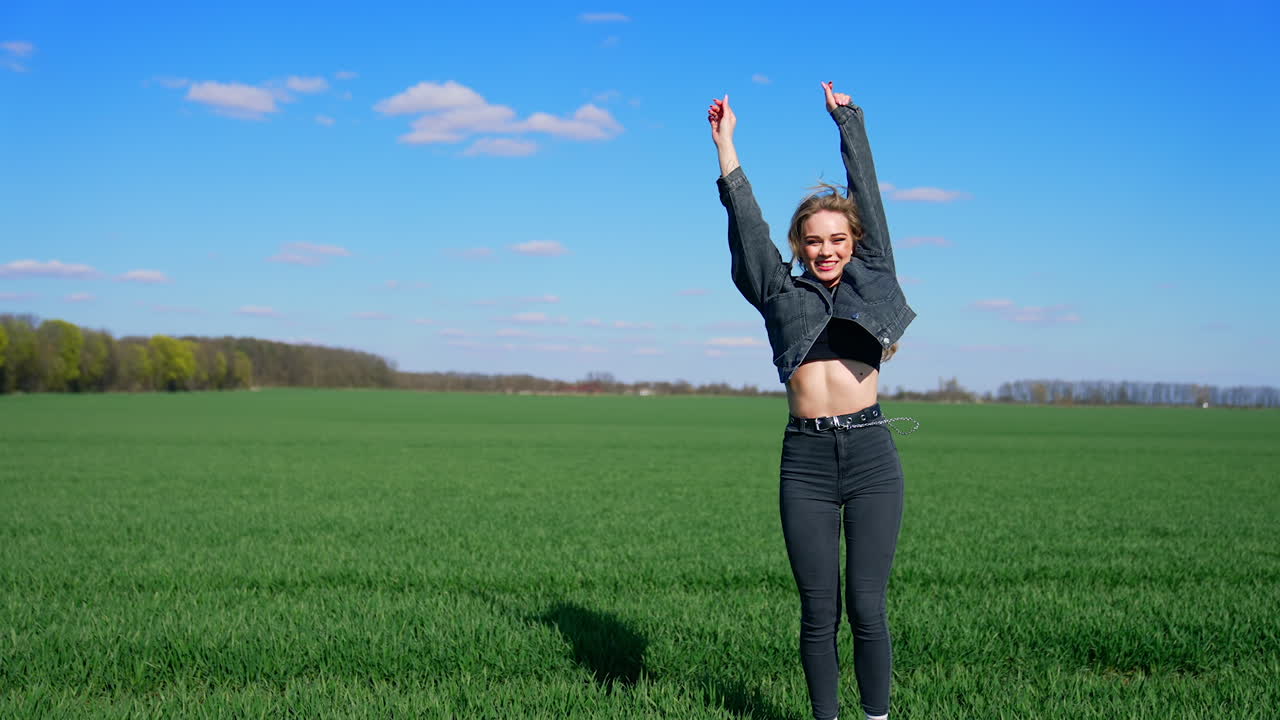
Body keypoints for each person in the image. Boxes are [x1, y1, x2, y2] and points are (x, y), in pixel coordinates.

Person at [707, 82, 916, 720]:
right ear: (800, 245)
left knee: (867, 608)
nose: (826, 250)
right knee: (817, 609)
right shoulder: (780, 294)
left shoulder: (875, 279)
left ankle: (876, 718)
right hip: (806, 462)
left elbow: (868, 197)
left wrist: (848, 120)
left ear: (854, 246)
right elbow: (748, 230)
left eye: (838, 240)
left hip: (873, 454)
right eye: (814, 241)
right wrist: (726, 148)